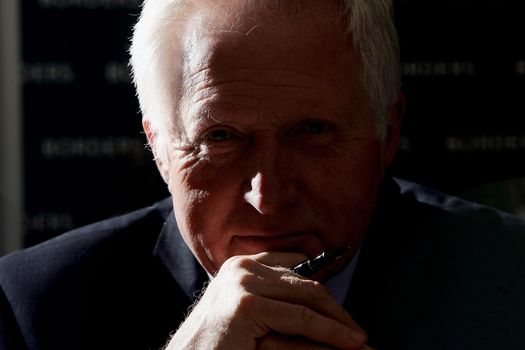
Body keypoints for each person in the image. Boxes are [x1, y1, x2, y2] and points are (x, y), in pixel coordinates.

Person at [1, 0, 525, 349]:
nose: (268, 198)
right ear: (158, 148)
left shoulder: (510, 280)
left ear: (387, 134)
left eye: (313, 132)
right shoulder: (35, 309)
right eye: (221, 138)